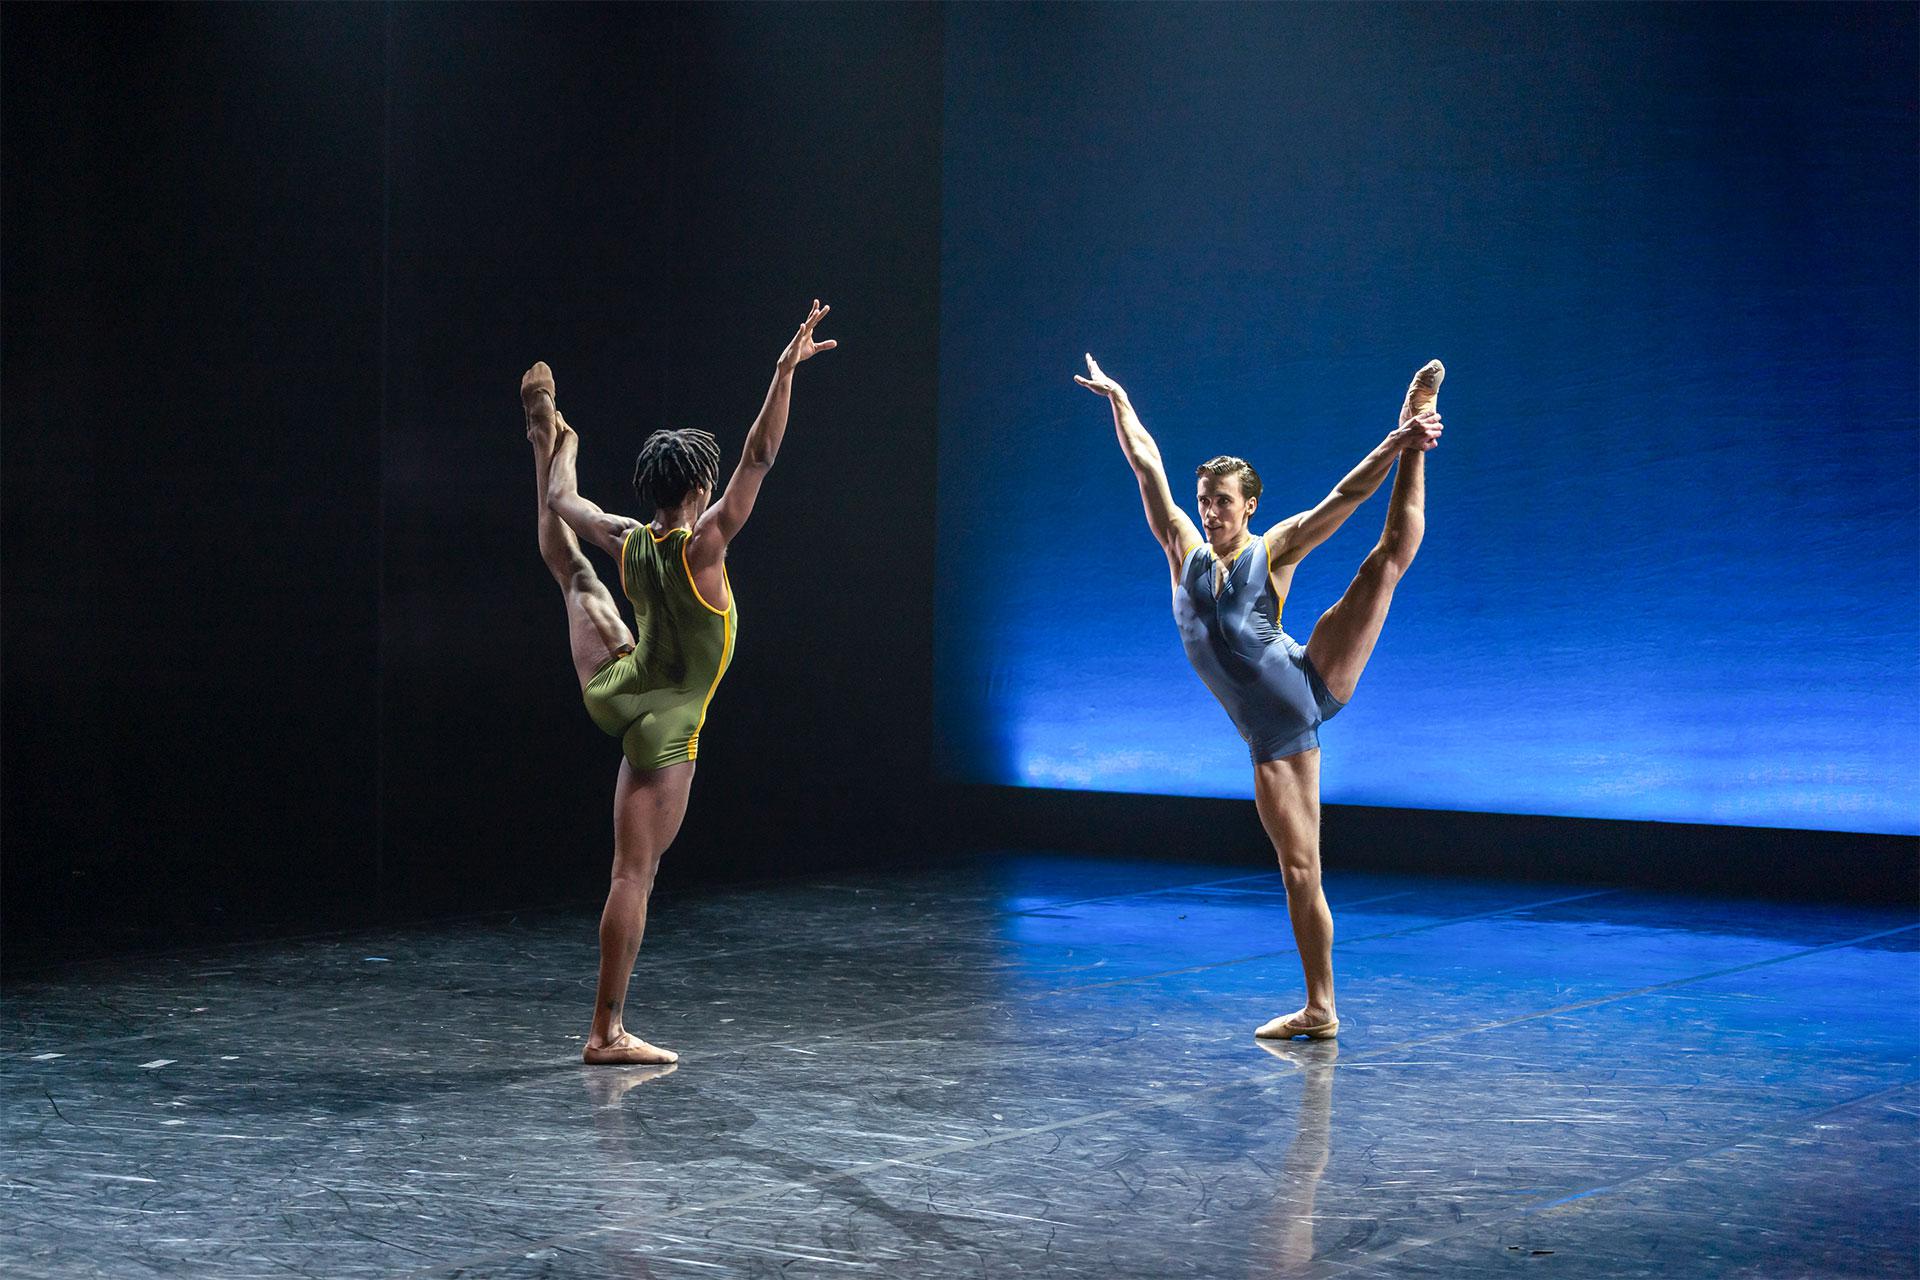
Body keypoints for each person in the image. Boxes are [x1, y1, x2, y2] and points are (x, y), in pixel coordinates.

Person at [1075, 353, 1445, 1039]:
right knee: (1300, 871)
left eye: (1224, 501)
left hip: (1313, 678)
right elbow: (1147, 463)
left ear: (1250, 506)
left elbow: (1344, 499)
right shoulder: (1179, 545)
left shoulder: (1272, 547)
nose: (1210, 511)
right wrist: (1120, 399)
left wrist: (1396, 446)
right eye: (1205, 499)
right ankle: (1321, 1008)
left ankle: (1414, 419)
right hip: (1277, 738)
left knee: (1384, 560)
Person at [521, 301, 836, 1064]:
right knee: (635, 874)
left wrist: (557, 449)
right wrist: (782, 372)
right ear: (699, 483)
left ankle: (542, 433)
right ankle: (605, 1033)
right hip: (667, 729)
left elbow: (565, 506)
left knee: (570, 570)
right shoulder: (706, 547)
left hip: (616, 686)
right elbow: (759, 456)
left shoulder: (631, 538)